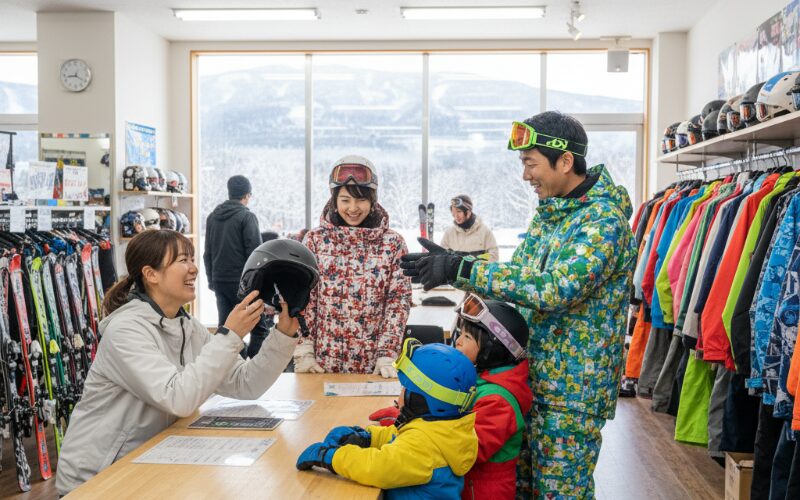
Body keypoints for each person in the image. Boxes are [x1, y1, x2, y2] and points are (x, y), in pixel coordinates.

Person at [401, 111, 637, 498]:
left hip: (570, 395)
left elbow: (555, 288)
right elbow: (520, 277)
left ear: (565, 161)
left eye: (531, 163)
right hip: (530, 380)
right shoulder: (553, 216)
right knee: (524, 490)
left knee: (560, 493)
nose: (525, 175)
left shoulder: (602, 222)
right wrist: (455, 266)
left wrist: (462, 267)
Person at [55, 230, 300, 495]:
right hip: (97, 477)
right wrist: (229, 336)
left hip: (150, 462)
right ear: (151, 275)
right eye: (183, 260)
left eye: (192, 259)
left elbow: (245, 383)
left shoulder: (187, 326)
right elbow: (177, 398)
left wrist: (283, 335)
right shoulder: (125, 331)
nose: (194, 268)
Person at [296, 338, 479, 498]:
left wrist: (330, 457)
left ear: (420, 401)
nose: (399, 395)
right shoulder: (443, 429)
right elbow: (400, 437)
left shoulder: (424, 448)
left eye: (403, 389)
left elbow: (377, 467)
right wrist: (369, 437)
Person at [295, 155, 411, 376]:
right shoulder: (315, 241)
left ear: (372, 200)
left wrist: (387, 353)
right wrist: (304, 348)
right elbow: (305, 299)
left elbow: (398, 301)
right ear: (334, 201)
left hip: (374, 368)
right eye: (345, 199)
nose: (353, 208)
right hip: (322, 366)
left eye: (361, 200)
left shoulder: (392, 243)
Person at [451, 293, 532, 500]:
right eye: (460, 333)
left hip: (484, 492)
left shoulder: (498, 400)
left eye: (467, 337)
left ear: (492, 349)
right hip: (471, 486)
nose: (458, 341)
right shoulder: (481, 379)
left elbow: (468, 449)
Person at [204, 174, 267, 358]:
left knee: (226, 330)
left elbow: (207, 252)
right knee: (260, 329)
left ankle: (231, 371)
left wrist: (212, 281)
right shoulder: (247, 217)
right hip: (243, 284)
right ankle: (252, 372)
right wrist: (260, 285)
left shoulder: (212, 217)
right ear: (247, 195)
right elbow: (256, 255)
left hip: (219, 280)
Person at [441, 194, 500, 262]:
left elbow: (494, 255)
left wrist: (478, 263)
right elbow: (442, 257)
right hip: (455, 272)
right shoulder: (449, 233)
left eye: (459, 211)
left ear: (468, 212)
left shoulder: (484, 231)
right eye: (453, 213)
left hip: (478, 272)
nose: (456, 216)